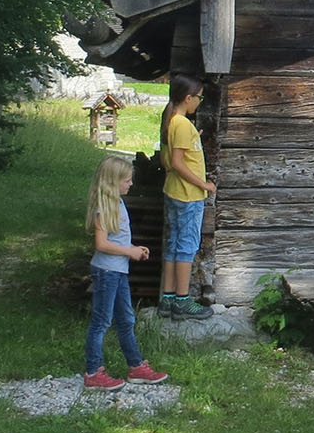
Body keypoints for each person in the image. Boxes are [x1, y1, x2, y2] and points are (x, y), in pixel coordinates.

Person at [82, 153, 168, 390]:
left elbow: (116, 239)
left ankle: (136, 366)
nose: (131, 184)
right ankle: (93, 372)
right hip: (107, 272)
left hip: (117, 271)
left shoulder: (118, 203)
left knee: (126, 319)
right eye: (127, 180)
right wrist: (129, 252)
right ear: (112, 181)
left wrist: (133, 248)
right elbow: (101, 244)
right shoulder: (104, 207)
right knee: (101, 321)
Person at [161, 75, 215, 319]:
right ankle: (182, 301)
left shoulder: (173, 121)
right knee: (186, 247)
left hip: (174, 192)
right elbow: (177, 163)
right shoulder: (182, 124)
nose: (199, 102)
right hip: (188, 195)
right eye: (199, 97)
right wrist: (204, 184)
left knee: (174, 244)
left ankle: (168, 298)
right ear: (187, 98)